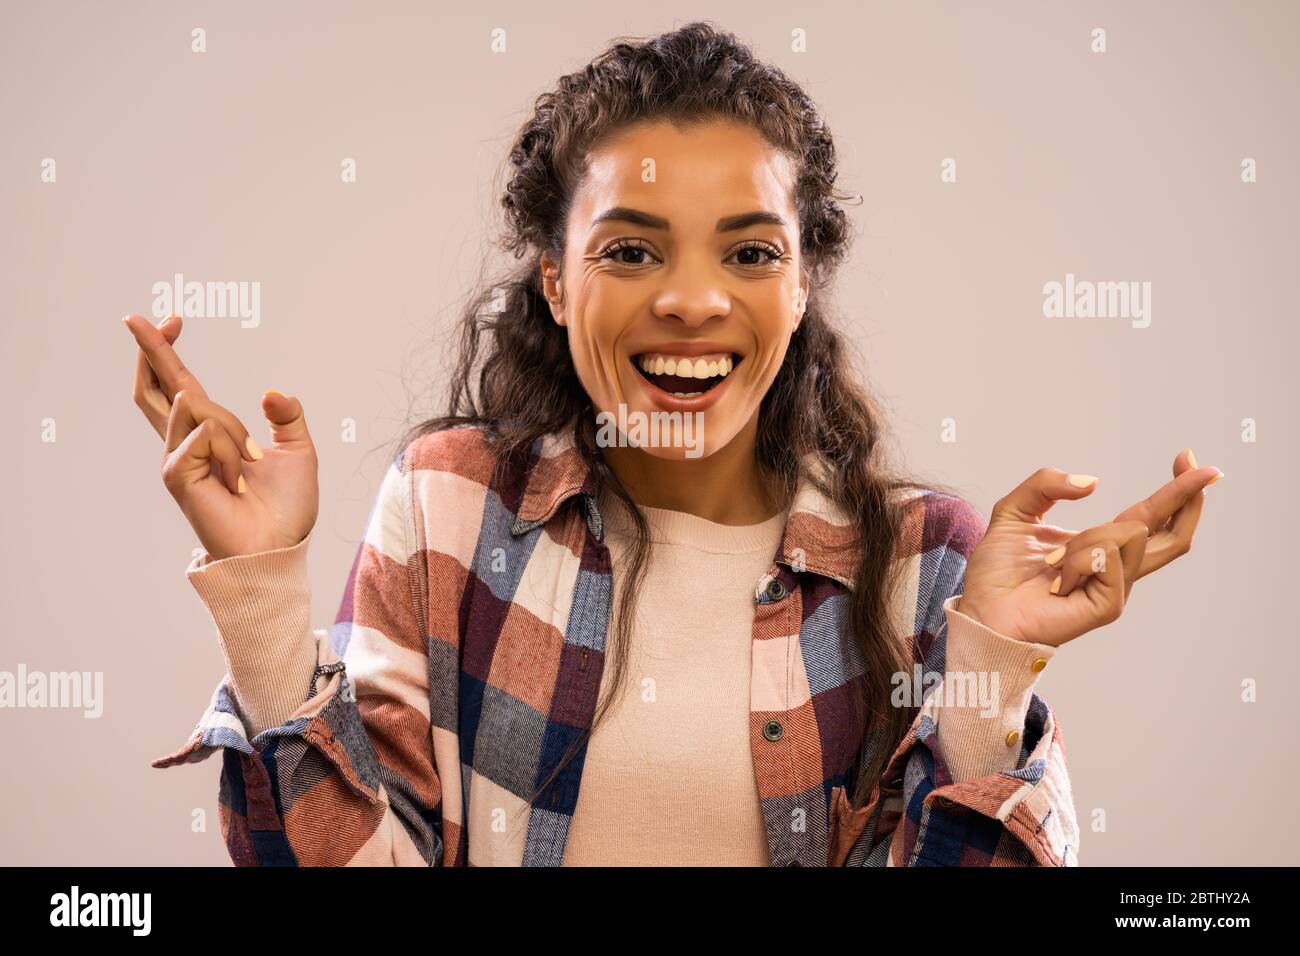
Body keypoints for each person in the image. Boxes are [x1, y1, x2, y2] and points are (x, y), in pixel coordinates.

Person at [123, 21, 1220, 867]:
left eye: (748, 253)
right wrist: (264, 597)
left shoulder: (929, 562)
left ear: (799, 286)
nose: (693, 300)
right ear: (555, 280)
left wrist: (987, 665)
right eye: (633, 250)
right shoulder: (450, 506)